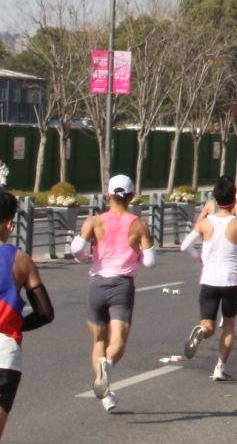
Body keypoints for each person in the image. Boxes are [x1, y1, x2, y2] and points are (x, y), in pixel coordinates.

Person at [71, 174, 155, 411]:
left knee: (99, 339)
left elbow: (76, 248)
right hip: (122, 286)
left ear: (107, 195)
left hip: (97, 284)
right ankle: (107, 365)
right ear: (132, 196)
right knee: (118, 340)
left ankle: (106, 395)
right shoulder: (139, 224)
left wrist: (84, 258)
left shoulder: (94, 221)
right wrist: (136, 256)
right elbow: (150, 261)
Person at [180, 178, 237, 381]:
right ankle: (219, 367)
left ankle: (202, 331)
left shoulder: (204, 223)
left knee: (209, 326)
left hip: (209, 280)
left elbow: (185, 246)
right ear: (234, 201)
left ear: (215, 199)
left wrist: (199, 257)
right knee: (228, 324)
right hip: (230, 281)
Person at [0, 190, 56, 440]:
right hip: (4, 354)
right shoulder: (21, 260)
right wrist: (14, 325)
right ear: (9, 223)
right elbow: (45, 312)